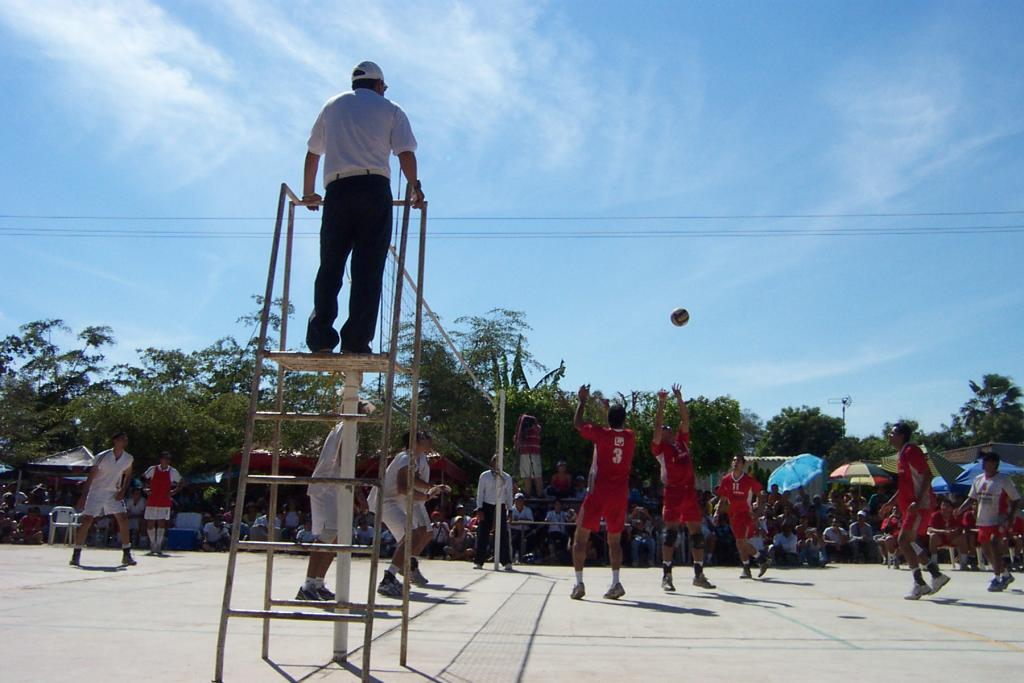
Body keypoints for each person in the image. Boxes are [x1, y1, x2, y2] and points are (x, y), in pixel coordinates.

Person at [302, 60, 423, 354]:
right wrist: (414, 187)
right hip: (373, 189)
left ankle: (320, 338)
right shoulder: (391, 109)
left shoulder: (332, 106)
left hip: (338, 191)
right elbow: (405, 153)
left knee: (331, 264)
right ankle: (356, 341)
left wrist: (308, 193)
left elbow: (313, 153)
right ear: (379, 85)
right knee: (368, 269)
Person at [570, 384, 636, 600]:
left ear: (609, 419)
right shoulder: (630, 437)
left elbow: (578, 423)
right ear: (624, 420)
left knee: (580, 538)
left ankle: (579, 583)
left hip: (598, 491)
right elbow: (617, 431)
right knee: (614, 540)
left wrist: (582, 401)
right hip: (619, 494)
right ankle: (616, 582)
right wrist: (609, 411)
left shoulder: (601, 435)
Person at [367, 432, 448, 597]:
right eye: (423, 437)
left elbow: (411, 482)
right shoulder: (405, 458)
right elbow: (403, 488)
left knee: (412, 536)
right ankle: (389, 578)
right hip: (386, 502)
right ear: (415, 442)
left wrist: (430, 489)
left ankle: (400, 570)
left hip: (392, 502)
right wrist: (426, 496)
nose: (428, 440)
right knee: (413, 535)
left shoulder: (411, 459)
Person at [652, 384, 716, 591]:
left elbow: (685, 420)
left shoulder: (681, 442)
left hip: (688, 491)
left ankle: (698, 574)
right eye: (664, 429)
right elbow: (657, 425)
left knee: (696, 534)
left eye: (668, 427)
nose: (666, 428)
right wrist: (662, 403)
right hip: (673, 492)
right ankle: (667, 576)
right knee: (670, 534)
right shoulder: (660, 448)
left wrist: (679, 398)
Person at [879, 421, 950, 599]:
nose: (889, 436)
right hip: (911, 506)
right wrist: (891, 502)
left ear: (902, 435)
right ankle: (936, 575)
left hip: (919, 505)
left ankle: (920, 583)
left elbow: (928, 474)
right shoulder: (902, 455)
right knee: (910, 542)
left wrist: (917, 501)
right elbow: (905, 486)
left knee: (903, 540)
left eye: (892, 433)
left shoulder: (911, 451)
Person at [956, 451, 1020, 592]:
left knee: (994, 545)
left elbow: (1016, 499)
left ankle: (996, 578)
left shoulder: (1003, 480)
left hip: (998, 519)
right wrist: (960, 509)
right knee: (986, 550)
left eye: (986, 461)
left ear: (994, 463)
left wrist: (1009, 516)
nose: (983, 464)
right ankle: (1005, 574)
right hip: (983, 520)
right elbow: (972, 498)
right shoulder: (978, 479)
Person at [71, 432, 136, 567]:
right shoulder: (102, 456)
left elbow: (128, 474)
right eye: (122, 439)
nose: (124, 442)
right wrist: (83, 496)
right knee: (87, 520)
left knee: (123, 519)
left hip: (113, 492)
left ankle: (127, 553)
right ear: (115, 441)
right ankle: (76, 554)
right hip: (97, 491)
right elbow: (91, 476)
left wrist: (122, 490)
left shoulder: (128, 458)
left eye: (126, 439)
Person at [716, 454, 768, 578]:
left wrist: (758, 510)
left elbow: (761, 494)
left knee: (740, 541)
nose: (735, 463)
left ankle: (747, 568)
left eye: (738, 461)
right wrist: (717, 512)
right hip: (733, 515)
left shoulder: (748, 480)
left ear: (743, 464)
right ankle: (761, 559)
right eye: (734, 460)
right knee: (740, 543)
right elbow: (722, 498)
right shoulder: (726, 479)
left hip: (745, 514)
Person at [474, 455, 514, 570]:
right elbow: (480, 493)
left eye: (500, 462)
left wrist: (510, 510)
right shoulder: (484, 476)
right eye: (495, 461)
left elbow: (509, 495)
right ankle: (479, 561)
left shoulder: (507, 477)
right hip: (487, 506)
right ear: (492, 462)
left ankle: (506, 561)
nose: (497, 464)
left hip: (500, 506)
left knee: (502, 534)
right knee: (483, 534)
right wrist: (479, 508)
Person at [142, 451, 183, 555]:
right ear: (161, 460)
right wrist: (145, 488)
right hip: (152, 499)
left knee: (161, 523)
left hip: (164, 500)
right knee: (150, 522)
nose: (166, 461)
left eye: (168, 459)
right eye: (165, 458)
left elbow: (181, 481)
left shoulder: (172, 471)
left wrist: (174, 491)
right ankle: (152, 544)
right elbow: (143, 478)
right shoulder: (153, 469)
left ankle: (159, 545)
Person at [927, 498, 969, 571]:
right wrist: (943, 531)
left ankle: (963, 563)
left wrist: (955, 530)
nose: (944, 508)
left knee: (963, 538)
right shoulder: (935, 515)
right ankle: (934, 563)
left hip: (952, 538)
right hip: (940, 538)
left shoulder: (955, 515)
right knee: (933, 536)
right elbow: (930, 529)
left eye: (947, 506)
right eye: (943, 505)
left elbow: (961, 527)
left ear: (951, 508)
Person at [515, 415, 544, 498]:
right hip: (524, 454)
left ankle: (540, 495)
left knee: (537, 475)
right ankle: (527, 495)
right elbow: (517, 440)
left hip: (534, 453)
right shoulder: (522, 431)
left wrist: (531, 425)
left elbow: (538, 429)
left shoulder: (536, 428)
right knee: (526, 476)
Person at [544, 498, 572, 562]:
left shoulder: (564, 513)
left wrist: (571, 514)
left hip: (562, 533)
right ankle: (552, 555)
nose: (558, 506)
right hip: (552, 532)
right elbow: (546, 520)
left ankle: (562, 556)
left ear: (561, 505)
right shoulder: (550, 513)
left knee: (565, 539)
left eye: (559, 504)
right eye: (556, 504)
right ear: (554, 505)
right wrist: (547, 520)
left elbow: (569, 519)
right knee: (550, 539)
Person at [510, 493, 535, 561]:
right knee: (514, 539)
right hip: (513, 531)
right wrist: (523, 521)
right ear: (515, 501)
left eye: (521, 500)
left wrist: (518, 521)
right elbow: (510, 522)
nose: (519, 502)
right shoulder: (511, 509)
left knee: (531, 539)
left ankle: (525, 558)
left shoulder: (528, 509)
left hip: (526, 532)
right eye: (518, 500)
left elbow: (531, 522)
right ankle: (513, 557)